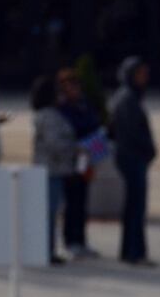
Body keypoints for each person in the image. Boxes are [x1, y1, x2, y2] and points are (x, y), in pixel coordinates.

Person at [105, 56, 156, 265]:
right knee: (136, 206)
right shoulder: (127, 99)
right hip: (132, 157)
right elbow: (131, 133)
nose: (145, 78)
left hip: (131, 156)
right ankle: (134, 251)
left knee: (134, 206)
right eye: (140, 74)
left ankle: (132, 250)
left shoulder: (128, 97)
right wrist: (148, 150)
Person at [27, 75, 80, 260]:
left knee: (49, 213)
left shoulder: (46, 114)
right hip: (51, 171)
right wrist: (75, 149)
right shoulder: (49, 116)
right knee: (49, 213)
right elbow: (54, 144)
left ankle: (46, 249)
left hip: (50, 169)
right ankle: (46, 251)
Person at [56, 75, 103, 260]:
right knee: (71, 201)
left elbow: (94, 123)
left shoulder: (84, 105)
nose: (73, 90)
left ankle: (81, 240)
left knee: (82, 200)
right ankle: (70, 241)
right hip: (70, 160)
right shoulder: (62, 109)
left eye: (75, 85)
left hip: (87, 157)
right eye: (68, 86)